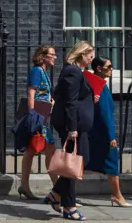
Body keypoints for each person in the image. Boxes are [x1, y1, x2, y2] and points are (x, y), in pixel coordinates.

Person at [48, 40, 95, 221]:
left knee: (79, 162)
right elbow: (70, 102)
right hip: (72, 126)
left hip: (78, 126)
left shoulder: (75, 72)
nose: (91, 60)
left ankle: (56, 193)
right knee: (73, 165)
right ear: (82, 54)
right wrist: (72, 129)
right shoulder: (72, 72)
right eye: (90, 56)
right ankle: (69, 206)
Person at [85, 57, 132, 208]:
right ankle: (117, 196)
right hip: (102, 135)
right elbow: (105, 114)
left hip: (93, 133)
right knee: (112, 164)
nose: (112, 69)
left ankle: (58, 194)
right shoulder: (99, 86)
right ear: (99, 68)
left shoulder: (95, 84)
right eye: (109, 66)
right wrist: (111, 136)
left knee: (81, 165)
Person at [18, 46, 58, 200]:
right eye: (52, 55)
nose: (55, 57)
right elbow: (31, 93)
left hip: (44, 115)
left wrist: (50, 101)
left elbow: (43, 94)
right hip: (39, 116)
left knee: (34, 150)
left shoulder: (43, 72)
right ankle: (59, 190)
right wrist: (33, 116)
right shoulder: (36, 71)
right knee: (45, 150)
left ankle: (25, 186)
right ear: (43, 56)